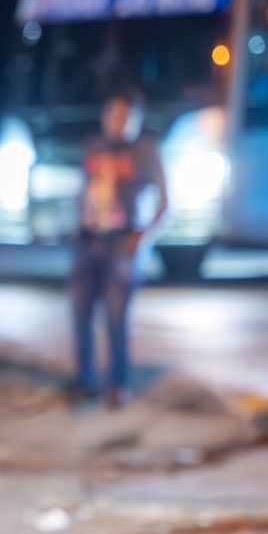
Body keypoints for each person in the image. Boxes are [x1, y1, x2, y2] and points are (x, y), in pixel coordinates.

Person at [71, 89, 169, 408]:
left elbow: (166, 202)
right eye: (113, 115)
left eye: (125, 116)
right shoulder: (93, 148)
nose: (118, 122)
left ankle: (118, 384)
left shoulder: (146, 151)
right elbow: (83, 192)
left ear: (137, 120)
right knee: (81, 313)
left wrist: (144, 236)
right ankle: (84, 382)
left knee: (116, 316)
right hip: (89, 240)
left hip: (123, 243)